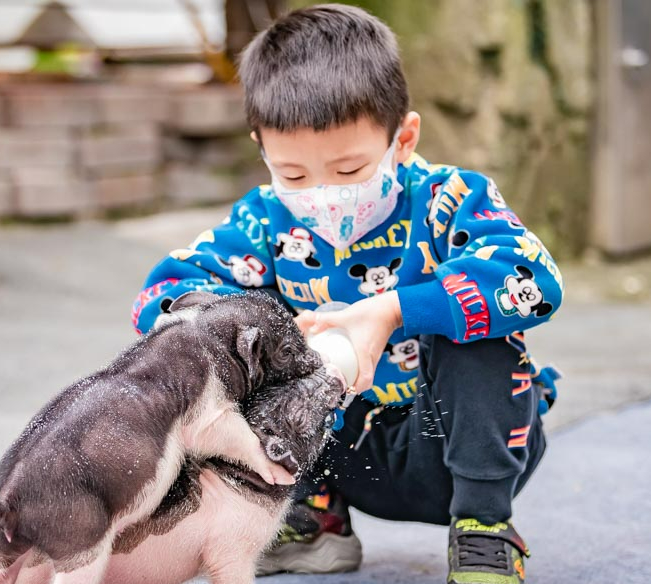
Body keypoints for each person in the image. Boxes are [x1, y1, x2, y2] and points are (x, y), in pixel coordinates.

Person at [132, 4, 563, 583]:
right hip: (336, 448)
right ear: (262, 148)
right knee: (227, 334)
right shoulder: (265, 222)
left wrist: (396, 310)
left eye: (350, 169)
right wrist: (264, 329)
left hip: (451, 442)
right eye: (294, 175)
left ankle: (484, 530)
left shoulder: (447, 200)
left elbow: (534, 280)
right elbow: (163, 293)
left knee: (477, 325)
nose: (322, 195)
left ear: (402, 139)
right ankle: (310, 517)